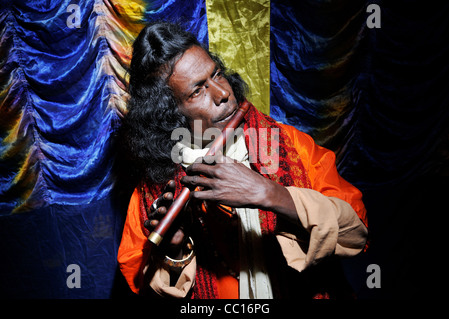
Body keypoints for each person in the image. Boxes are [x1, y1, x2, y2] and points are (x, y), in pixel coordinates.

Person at [117, 21, 368, 299]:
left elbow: (355, 233)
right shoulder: (156, 185)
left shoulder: (287, 143)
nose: (223, 93)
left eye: (217, 74)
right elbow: (138, 278)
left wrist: (271, 194)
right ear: (168, 113)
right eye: (197, 90)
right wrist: (176, 250)